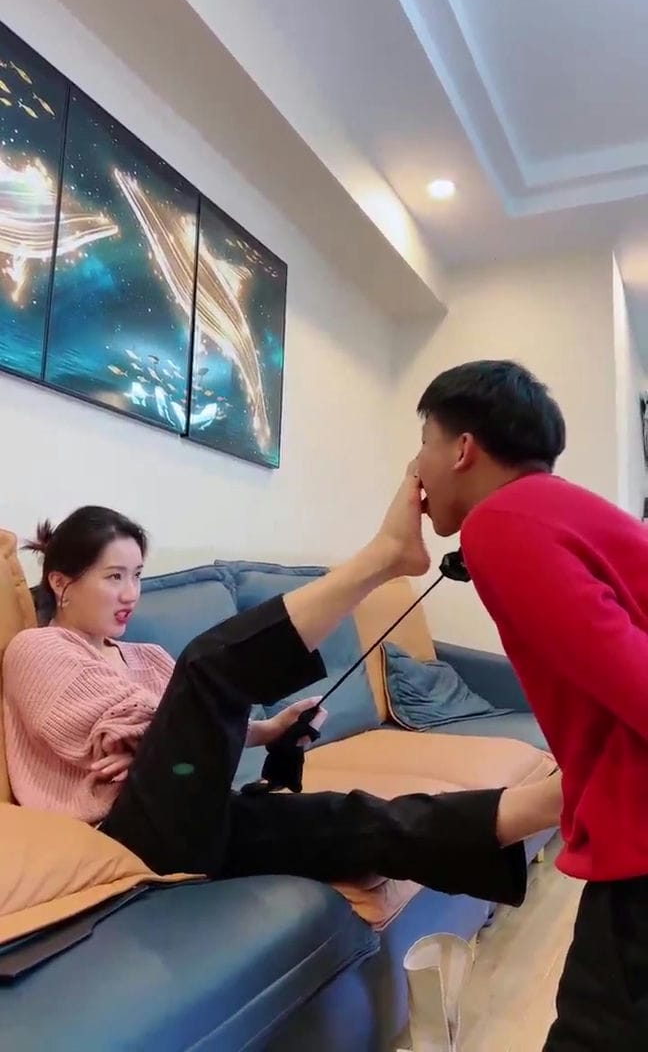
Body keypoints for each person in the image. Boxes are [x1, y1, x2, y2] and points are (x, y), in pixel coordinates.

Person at [3, 479, 560, 906]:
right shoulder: (36, 648)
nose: (131, 593)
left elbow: (175, 734)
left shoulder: (144, 656)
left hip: (199, 819)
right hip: (129, 833)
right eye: (114, 576)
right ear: (61, 582)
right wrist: (178, 723)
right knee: (205, 666)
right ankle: (381, 558)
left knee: (351, 817)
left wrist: (267, 731)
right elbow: (113, 731)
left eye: (137, 575)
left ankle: (547, 804)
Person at [415, 358, 648, 1051]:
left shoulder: (502, 524)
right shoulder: (557, 509)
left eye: (424, 442)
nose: (415, 470)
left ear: (462, 449)